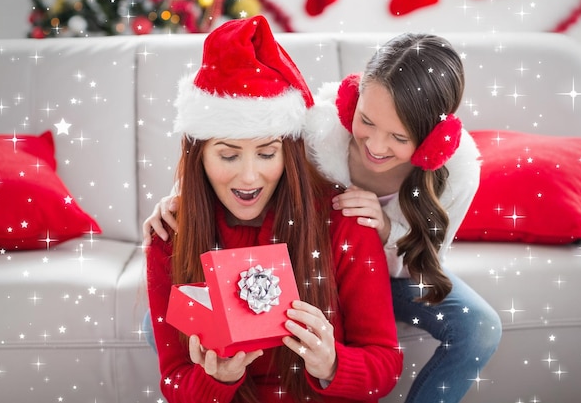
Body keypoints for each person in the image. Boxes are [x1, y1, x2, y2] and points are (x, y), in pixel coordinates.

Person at [144, 31, 502, 403]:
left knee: (478, 326)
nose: (376, 147)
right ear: (352, 104)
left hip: (400, 265)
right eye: (367, 121)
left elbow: (424, 269)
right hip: (329, 244)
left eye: (399, 136)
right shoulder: (321, 128)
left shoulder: (451, 176)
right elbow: (233, 138)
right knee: (163, 322)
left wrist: (333, 362)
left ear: (433, 142)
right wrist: (178, 203)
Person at [144, 15, 402, 403]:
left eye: (267, 153)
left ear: (289, 153)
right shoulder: (171, 236)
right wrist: (218, 380)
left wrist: (332, 363)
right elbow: (175, 382)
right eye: (228, 155)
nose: (249, 177)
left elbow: (384, 366)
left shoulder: (343, 222)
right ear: (199, 158)